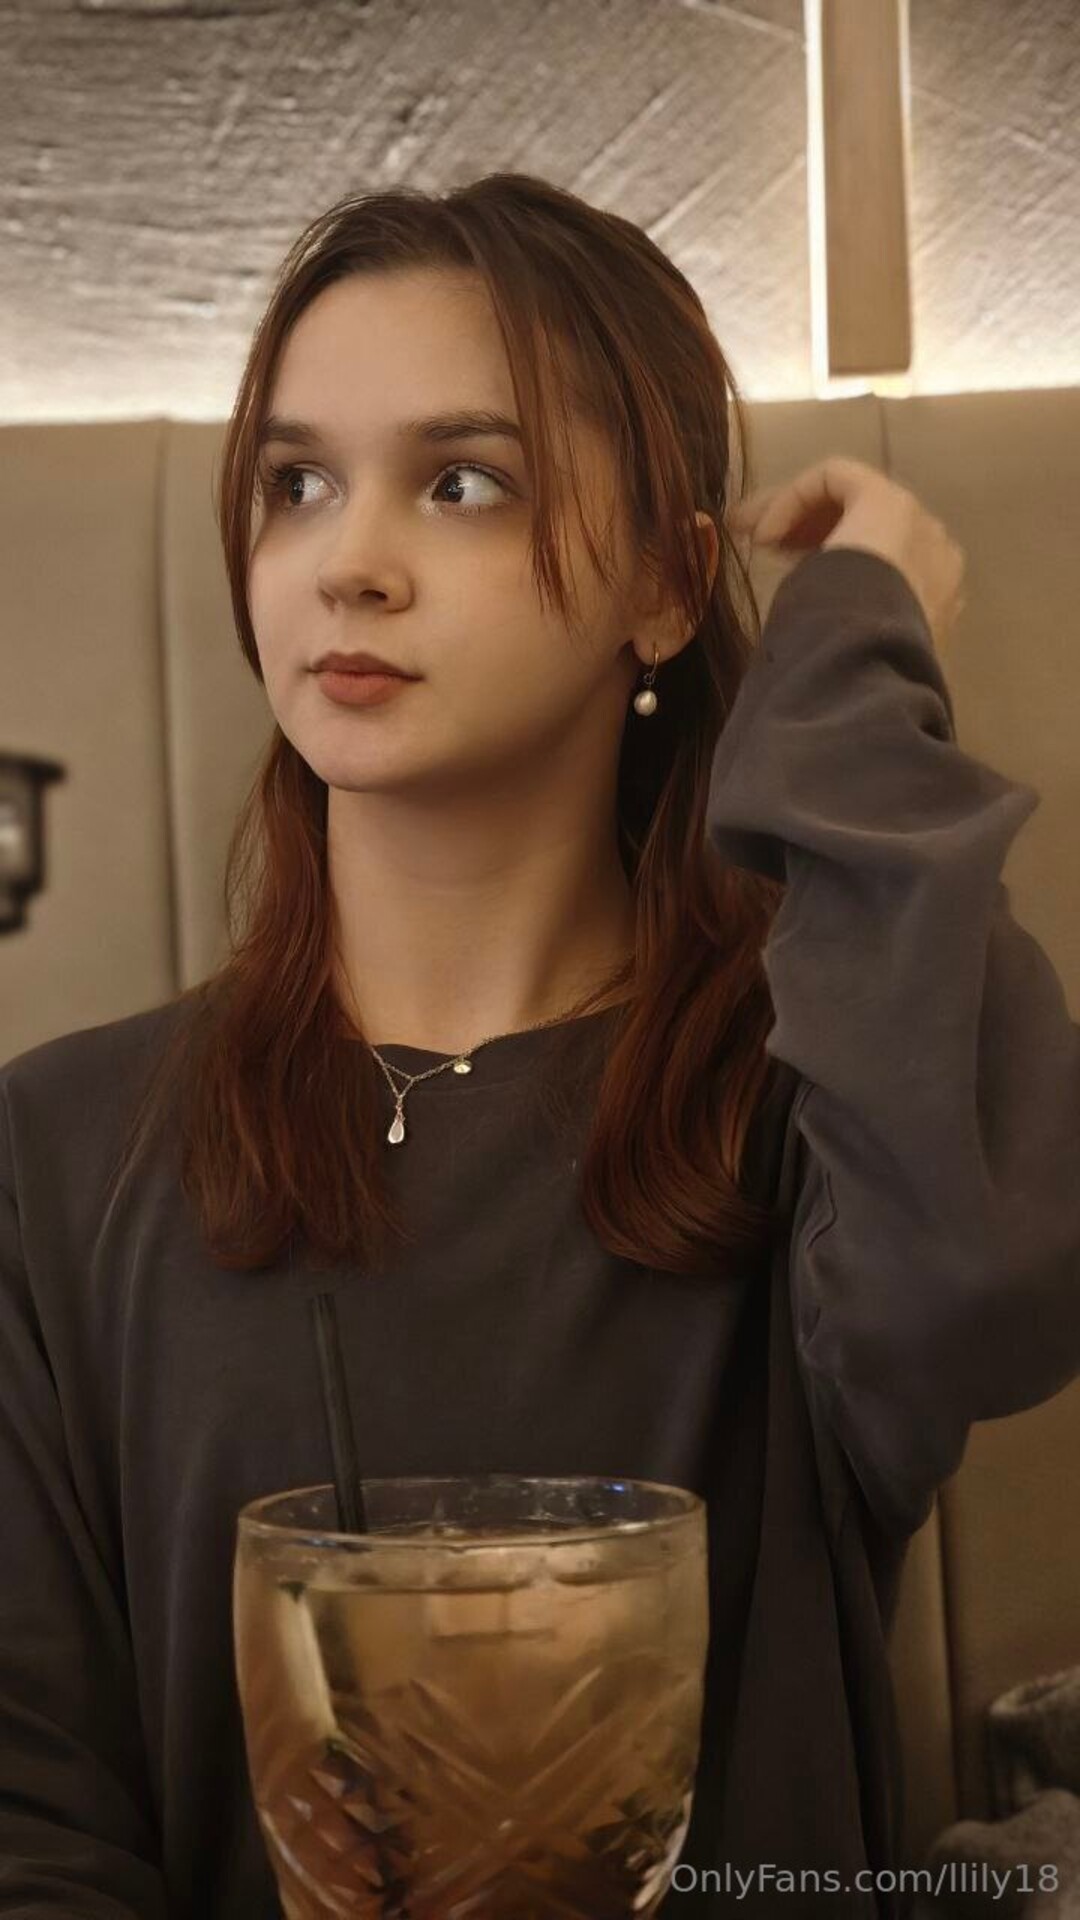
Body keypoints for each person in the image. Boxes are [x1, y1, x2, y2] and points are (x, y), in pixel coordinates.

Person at [1, 172, 1077, 1920]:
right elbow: (28, 1822)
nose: (348, 561)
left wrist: (853, 645)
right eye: (296, 484)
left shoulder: (806, 1113)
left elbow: (987, 1284)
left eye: (462, 482)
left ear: (665, 584)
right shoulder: (53, 1158)